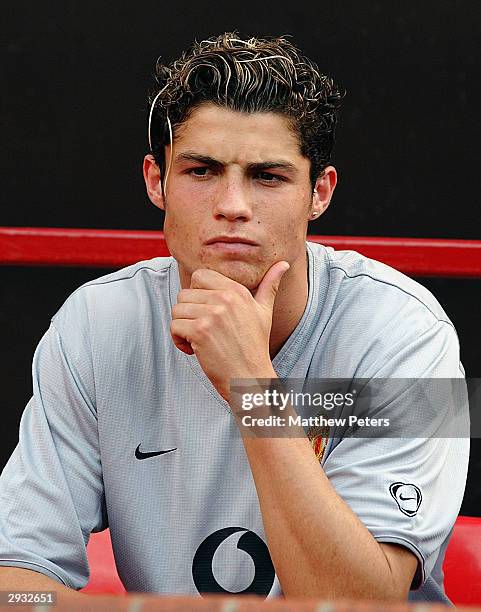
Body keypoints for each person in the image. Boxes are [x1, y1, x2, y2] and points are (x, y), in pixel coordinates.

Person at [0, 32, 469, 603]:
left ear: (319, 193)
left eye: (268, 176)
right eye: (201, 171)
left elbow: (360, 603)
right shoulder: (96, 325)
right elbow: (17, 580)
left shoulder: (408, 334)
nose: (233, 205)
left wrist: (253, 387)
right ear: (157, 181)